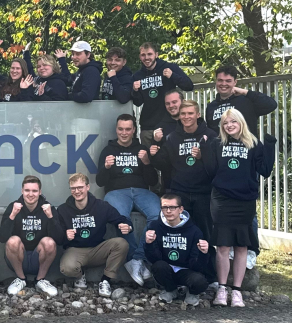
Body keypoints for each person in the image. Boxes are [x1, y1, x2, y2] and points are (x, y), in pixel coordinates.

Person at [200, 108, 276, 308]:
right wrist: (204, 149)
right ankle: (222, 289)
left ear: (241, 122)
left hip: (244, 201)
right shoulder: (217, 144)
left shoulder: (253, 144)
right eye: (225, 123)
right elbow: (211, 171)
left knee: (241, 246)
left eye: (233, 121)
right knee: (223, 246)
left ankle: (237, 291)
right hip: (222, 200)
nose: (229, 125)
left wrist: (270, 145)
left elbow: (265, 170)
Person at [95, 114, 160, 286]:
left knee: (158, 215)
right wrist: (106, 167)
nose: (124, 133)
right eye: (120, 129)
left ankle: (137, 258)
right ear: (116, 130)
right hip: (116, 192)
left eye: (128, 129)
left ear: (134, 130)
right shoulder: (108, 150)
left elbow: (153, 181)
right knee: (122, 219)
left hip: (141, 191)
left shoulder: (142, 148)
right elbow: (100, 182)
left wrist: (147, 163)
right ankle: (134, 260)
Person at [150, 99, 215, 240]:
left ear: (198, 115)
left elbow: (216, 165)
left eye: (190, 113)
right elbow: (163, 165)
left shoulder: (210, 135)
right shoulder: (172, 137)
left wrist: (203, 155)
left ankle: (206, 255)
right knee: (181, 234)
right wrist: (154, 154)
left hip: (203, 192)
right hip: (180, 192)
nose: (186, 117)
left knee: (204, 234)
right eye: (183, 114)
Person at [57, 173, 131, 297]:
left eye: (80, 187)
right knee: (67, 268)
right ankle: (80, 275)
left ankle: (106, 280)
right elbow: (58, 236)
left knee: (121, 244)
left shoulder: (101, 206)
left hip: (98, 249)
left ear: (87, 187)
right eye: (73, 188)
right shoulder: (63, 210)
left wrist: (127, 226)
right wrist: (65, 235)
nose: (77, 191)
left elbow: (121, 219)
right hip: (75, 250)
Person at [0, 175, 64, 297]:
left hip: (39, 258)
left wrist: (50, 217)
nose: (30, 194)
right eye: (27, 190)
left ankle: (40, 280)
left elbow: (60, 240)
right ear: (22, 191)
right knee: (13, 241)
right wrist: (12, 215)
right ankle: (20, 279)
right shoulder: (13, 207)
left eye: (34, 191)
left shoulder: (48, 208)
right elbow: (2, 238)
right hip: (18, 258)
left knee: (49, 242)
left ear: (40, 192)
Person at [145, 194, 210, 306]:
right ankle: (171, 290)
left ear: (181, 209)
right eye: (165, 207)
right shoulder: (154, 226)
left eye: (172, 207)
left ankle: (192, 293)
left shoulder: (194, 231)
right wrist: (149, 244)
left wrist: (203, 253)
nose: (168, 211)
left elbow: (198, 267)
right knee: (158, 266)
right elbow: (153, 259)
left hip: (187, 271)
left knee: (200, 281)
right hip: (166, 270)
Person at [131, 43, 194, 145]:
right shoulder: (138, 75)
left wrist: (173, 76)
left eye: (149, 54)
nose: (146, 58)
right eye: (143, 55)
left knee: (171, 153)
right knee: (149, 154)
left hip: (170, 124)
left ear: (156, 55)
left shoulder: (169, 67)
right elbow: (138, 102)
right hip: (149, 126)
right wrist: (135, 91)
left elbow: (189, 86)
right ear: (140, 57)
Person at [205, 65, 277, 138]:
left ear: (235, 82)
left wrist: (246, 92)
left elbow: (272, 105)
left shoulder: (247, 101)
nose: (223, 84)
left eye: (228, 81)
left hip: (246, 144)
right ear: (216, 81)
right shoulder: (211, 107)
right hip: (220, 145)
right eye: (220, 80)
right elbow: (210, 132)